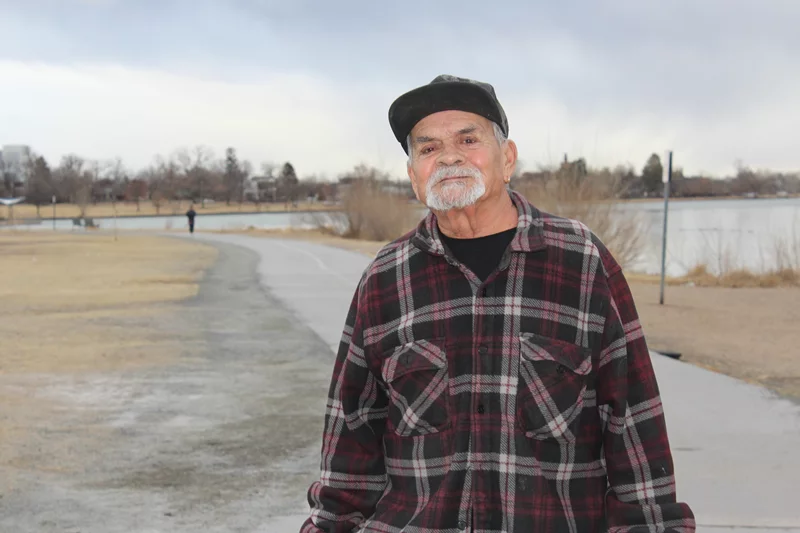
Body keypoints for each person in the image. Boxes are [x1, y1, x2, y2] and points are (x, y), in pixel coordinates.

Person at [301, 75, 695, 532]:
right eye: (428, 148)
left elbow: (634, 426)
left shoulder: (581, 263)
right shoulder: (384, 278)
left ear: (507, 159)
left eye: (468, 139)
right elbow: (350, 440)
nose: (449, 156)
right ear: (413, 176)